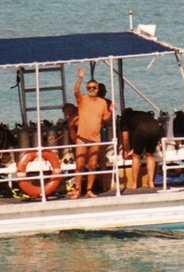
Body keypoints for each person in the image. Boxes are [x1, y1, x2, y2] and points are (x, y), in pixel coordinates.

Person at [69, 67, 112, 198]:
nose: (92, 90)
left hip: (95, 138)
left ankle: (89, 190)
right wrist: (80, 78)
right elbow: (75, 91)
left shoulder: (103, 102)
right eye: (89, 88)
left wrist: (111, 110)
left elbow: (105, 119)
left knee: (93, 165)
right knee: (80, 164)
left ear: (98, 89)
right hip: (82, 137)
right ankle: (77, 190)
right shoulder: (83, 99)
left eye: (94, 87)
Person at [120, 109, 162, 190]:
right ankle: (151, 182)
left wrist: (125, 150)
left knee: (136, 156)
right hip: (155, 128)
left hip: (141, 130)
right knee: (150, 155)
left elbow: (125, 136)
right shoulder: (141, 114)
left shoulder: (124, 118)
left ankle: (134, 184)